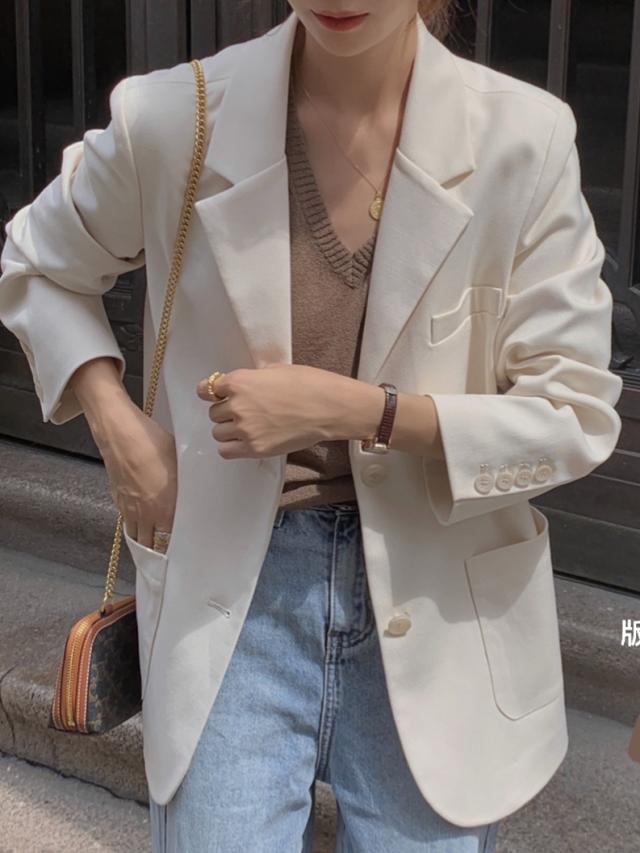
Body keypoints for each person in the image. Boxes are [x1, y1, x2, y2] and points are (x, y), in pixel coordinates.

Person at [0, 2, 623, 851]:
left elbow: (574, 410)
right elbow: (37, 262)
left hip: (440, 597)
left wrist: (356, 408)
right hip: (234, 595)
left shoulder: (523, 139)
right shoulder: (178, 116)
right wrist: (119, 430)